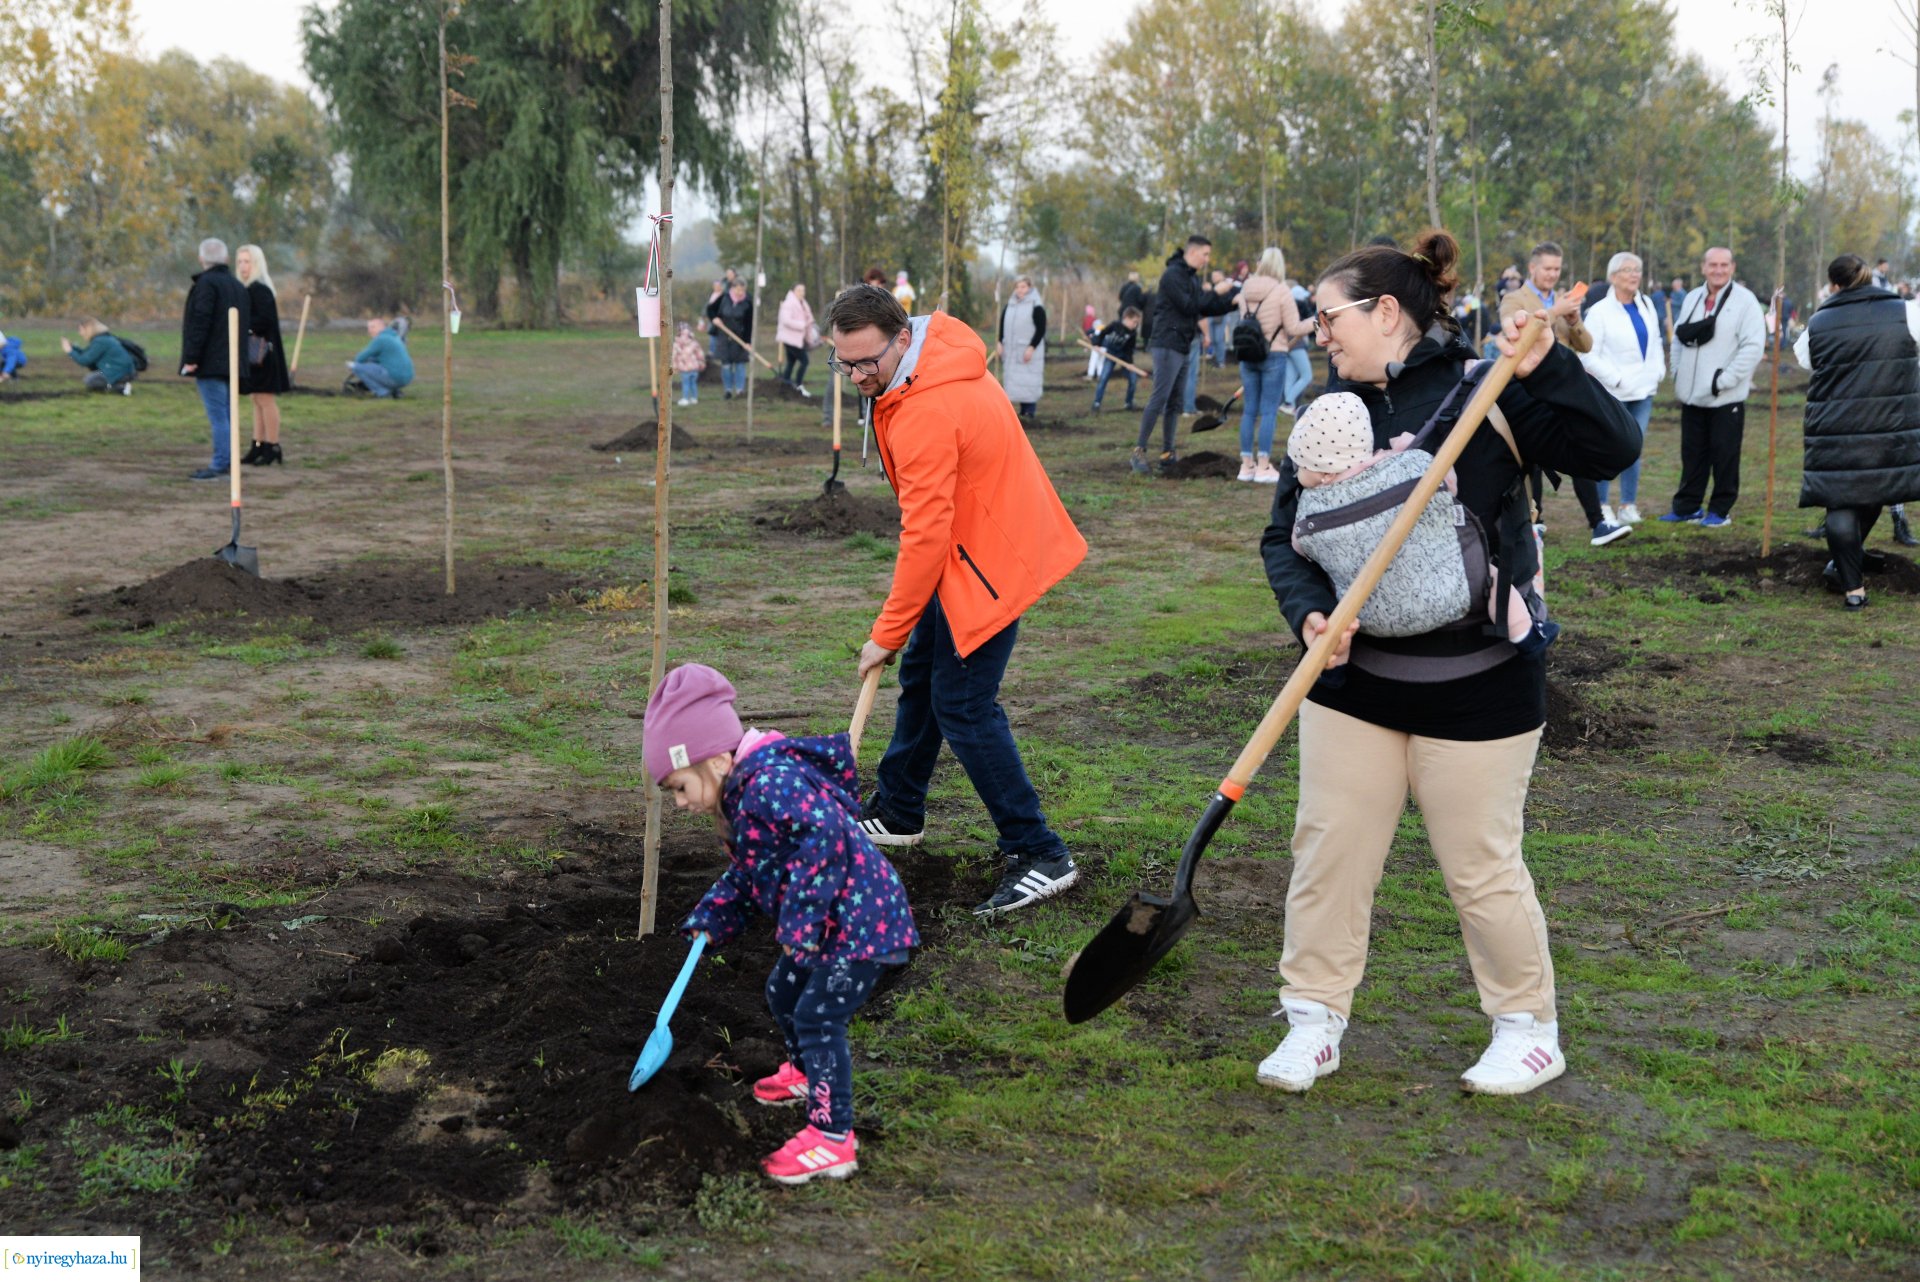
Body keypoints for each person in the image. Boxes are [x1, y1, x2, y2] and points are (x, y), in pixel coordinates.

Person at [1257, 230, 1638, 1097]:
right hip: (1354, 685)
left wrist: (1545, 368)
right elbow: (1285, 536)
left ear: (1386, 312)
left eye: (1329, 317)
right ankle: (1313, 1019)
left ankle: (1526, 1028)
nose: (1320, 334)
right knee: (1329, 852)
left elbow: (1613, 450)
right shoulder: (1329, 410)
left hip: (1481, 683)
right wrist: (1309, 614)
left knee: (1480, 864)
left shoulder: (1485, 389)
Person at [824, 284, 1087, 915]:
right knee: (923, 675)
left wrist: (886, 632)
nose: (859, 375)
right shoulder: (924, 366)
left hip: (988, 560)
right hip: (975, 546)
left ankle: (1039, 852)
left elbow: (925, 534)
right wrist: (902, 639)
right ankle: (899, 808)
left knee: (964, 704)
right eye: (844, 363)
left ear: (903, 337)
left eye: (869, 362)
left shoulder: (924, 410)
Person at [650, 663, 918, 1186]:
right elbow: (753, 871)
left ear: (711, 760)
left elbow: (823, 847)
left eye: (679, 787)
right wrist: (711, 918)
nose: (680, 803)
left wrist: (799, 926)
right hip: (835, 924)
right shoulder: (743, 795)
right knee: (782, 991)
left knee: (818, 1017)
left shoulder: (769, 787)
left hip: (863, 924)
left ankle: (831, 1138)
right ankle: (804, 1072)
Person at [1286, 391, 1554, 655]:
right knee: (1491, 575)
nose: (1296, 473)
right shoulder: (1406, 464)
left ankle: (1334, 668)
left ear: (1323, 472)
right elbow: (1448, 484)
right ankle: (1525, 633)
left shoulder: (1310, 508)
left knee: (1334, 626)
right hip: (1453, 592)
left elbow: (1300, 545)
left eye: (1300, 466)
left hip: (1367, 617)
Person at [1793, 254, 1920, 608]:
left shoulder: (1819, 320)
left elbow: (1805, 360)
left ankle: (1852, 588)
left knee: (1840, 500)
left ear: (1833, 285)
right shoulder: (1906, 312)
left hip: (1834, 425)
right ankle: (1843, 565)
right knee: (1874, 490)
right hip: (1887, 423)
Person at [1662, 246, 1765, 526]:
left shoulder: (1745, 301)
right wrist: (1678, 372)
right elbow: (1679, 338)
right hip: (1692, 395)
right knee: (1692, 454)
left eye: (1724, 265)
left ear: (1732, 268)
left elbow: (1753, 347)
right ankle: (1687, 506)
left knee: (1724, 454)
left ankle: (1720, 510)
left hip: (1725, 397)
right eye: (1712, 265)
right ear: (1703, 267)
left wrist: (1724, 381)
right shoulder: (1694, 297)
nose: (1718, 270)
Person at [1573, 252, 1665, 541]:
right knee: (1607, 449)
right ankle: (1602, 506)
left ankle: (1628, 503)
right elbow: (1587, 354)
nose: (1633, 274)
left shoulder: (1647, 304)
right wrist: (1615, 378)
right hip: (1614, 392)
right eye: (1626, 270)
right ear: (1613, 276)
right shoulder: (1599, 312)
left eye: (1637, 269)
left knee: (1634, 448)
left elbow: (1656, 341)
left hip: (1643, 391)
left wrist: (1658, 370)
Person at [1133, 235, 1238, 475]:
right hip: (1167, 342)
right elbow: (1190, 306)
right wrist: (1215, 290)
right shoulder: (1173, 275)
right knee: (1159, 398)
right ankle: (1138, 451)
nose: (1207, 260)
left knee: (1175, 402)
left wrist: (1233, 302)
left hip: (1182, 343)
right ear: (1192, 253)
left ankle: (1168, 453)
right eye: (1205, 255)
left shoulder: (1190, 277)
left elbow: (1205, 306)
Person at [1233, 247, 1315, 483]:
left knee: (1249, 410)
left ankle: (1246, 466)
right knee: (1269, 411)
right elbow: (1294, 329)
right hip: (1273, 355)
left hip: (1247, 356)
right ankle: (1263, 466)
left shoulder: (1245, 289)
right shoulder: (1281, 291)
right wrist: (1316, 321)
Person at [178, 236, 251, 481]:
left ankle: (221, 464)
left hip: (211, 362)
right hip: (232, 362)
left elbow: (200, 323)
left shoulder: (206, 285)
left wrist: (191, 358)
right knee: (228, 415)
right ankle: (228, 461)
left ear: (201, 259)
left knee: (219, 416)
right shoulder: (237, 286)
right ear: (227, 259)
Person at [235, 244, 290, 465]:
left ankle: (272, 445)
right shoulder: (248, 289)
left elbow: (265, 321)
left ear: (257, 264)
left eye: (247, 261)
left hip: (263, 353)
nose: (242, 266)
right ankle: (258, 444)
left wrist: (242, 324)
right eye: (239, 261)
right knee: (256, 399)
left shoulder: (260, 289)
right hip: (253, 353)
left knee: (265, 399)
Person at [1498, 242, 1593, 357]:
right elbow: (1515, 336)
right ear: (1532, 268)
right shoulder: (1513, 299)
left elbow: (1587, 347)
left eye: (1557, 269)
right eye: (1547, 269)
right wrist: (1556, 311)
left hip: (1565, 373)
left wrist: (1574, 322)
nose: (1553, 274)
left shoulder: (1562, 300)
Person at [995, 275, 1047, 418]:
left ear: (1030, 287)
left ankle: (1029, 412)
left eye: (1023, 287)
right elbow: (1002, 324)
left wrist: (1032, 347)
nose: (1020, 290)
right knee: (1014, 383)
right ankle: (1018, 414)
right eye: (1017, 287)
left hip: (1028, 352)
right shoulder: (1010, 305)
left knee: (1028, 383)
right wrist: (999, 341)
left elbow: (1041, 329)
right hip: (1011, 351)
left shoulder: (1036, 306)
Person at [344, 317, 414, 398]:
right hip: (407, 377)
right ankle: (395, 392)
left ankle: (383, 393)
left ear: (382, 327)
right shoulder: (395, 337)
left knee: (355, 366)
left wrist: (354, 366)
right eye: (368, 328)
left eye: (373, 327)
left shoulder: (381, 339)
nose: (369, 330)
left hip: (396, 377)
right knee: (382, 366)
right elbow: (379, 358)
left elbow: (361, 357)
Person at [62, 319, 136, 395]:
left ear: (88, 329)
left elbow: (84, 360)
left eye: (81, 330)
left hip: (121, 372)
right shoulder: (103, 338)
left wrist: (69, 351)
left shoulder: (100, 341)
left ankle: (121, 388)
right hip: (124, 371)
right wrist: (73, 347)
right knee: (93, 378)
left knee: (90, 380)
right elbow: (87, 354)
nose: (80, 333)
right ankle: (119, 385)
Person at [1091, 306, 1142, 413]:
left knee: (1133, 379)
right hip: (1112, 354)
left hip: (1124, 356)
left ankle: (1128, 403)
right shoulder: (1115, 325)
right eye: (1134, 322)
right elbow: (1102, 333)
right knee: (1104, 377)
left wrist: (1130, 363)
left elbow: (1129, 349)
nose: (1136, 325)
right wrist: (1096, 344)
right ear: (1127, 318)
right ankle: (1097, 403)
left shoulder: (1133, 333)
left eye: (1137, 323)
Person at [708, 281, 754, 399]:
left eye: (742, 290)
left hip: (740, 339)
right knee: (726, 365)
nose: (739, 293)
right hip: (724, 337)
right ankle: (728, 391)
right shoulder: (724, 298)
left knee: (739, 365)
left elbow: (749, 325)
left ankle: (739, 391)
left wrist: (748, 342)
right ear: (732, 289)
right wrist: (715, 319)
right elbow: (710, 309)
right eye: (737, 290)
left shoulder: (747, 303)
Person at [775, 283, 815, 391]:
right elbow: (786, 321)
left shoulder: (803, 304)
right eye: (799, 290)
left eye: (803, 290)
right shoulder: (789, 303)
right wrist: (801, 325)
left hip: (798, 339)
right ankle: (798, 385)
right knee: (805, 361)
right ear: (793, 291)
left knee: (791, 362)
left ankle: (785, 382)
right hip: (790, 339)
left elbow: (809, 319)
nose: (802, 293)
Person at [672, 320, 706, 405]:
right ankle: (694, 398)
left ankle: (685, 399)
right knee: (693, 383)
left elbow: (674, 356)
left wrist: (674, 367)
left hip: (684, 368)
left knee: (685, 384)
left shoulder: (676, 344)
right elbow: (700, 354)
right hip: (694, 367)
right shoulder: (694, 343)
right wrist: (701, 363)